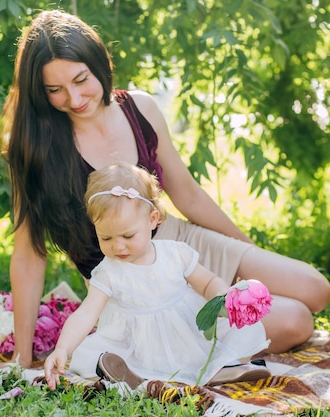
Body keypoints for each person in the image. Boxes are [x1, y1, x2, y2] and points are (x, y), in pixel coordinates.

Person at [2, 9, 330, 369]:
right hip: (134, 282)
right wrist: (23, 354)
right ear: (39, 92)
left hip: (182, 244)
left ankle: (210, 337)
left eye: (81, 79)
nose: (75, 97)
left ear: (99, 64)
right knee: (297, 320)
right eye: (55, 90)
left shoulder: (140, 108)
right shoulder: (36, 149)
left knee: (316, 290)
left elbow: (187, 194)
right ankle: (180, 351)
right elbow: (28, 255)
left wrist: (246, 254)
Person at [43, 162, 271, 390]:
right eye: (107, 238)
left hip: (186, 337)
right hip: (137, 346)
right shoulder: (108, 272)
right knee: (96, 357)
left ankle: (224, 368)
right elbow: (86, 314)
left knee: (231, 335)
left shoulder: (174, 254)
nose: (118, 246)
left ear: (152, 219)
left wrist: (221, 296)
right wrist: (63, 348)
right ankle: (131, 375)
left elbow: (208, 281)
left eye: (128, 236)